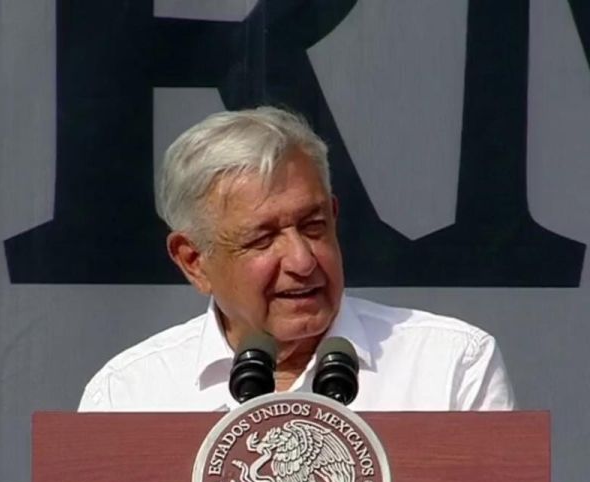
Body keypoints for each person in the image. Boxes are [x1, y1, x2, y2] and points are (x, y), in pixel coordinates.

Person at [79, 106, 514, 412]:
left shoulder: (450, 365)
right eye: (263, 239)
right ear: (193, 260)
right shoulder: (129, 395)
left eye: (313, 226)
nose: (303, 261)